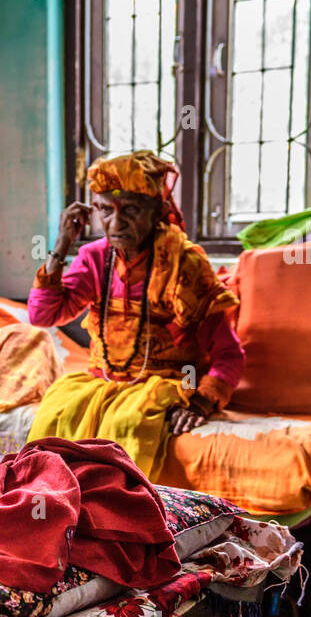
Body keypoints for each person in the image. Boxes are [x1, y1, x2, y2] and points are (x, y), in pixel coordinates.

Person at [26, 150, 245, 478]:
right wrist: (62, 243)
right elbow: (42, 316)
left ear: (157, 210)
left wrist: (204, 402)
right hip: (103, 381)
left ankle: (124, 518)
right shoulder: (95, 258)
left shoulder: (185, 263)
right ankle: (61, 511)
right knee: (56, 413)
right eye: (105, 210)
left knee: (128, 421)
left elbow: (229, 354)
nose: (115, 224)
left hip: (166, 383)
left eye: (130, 209)